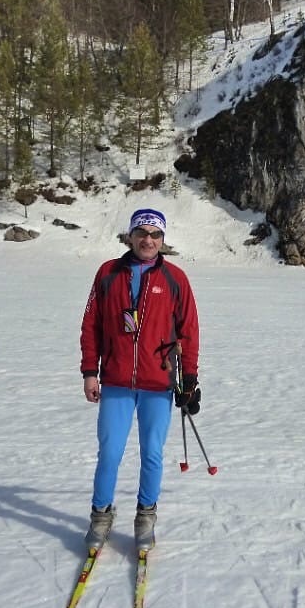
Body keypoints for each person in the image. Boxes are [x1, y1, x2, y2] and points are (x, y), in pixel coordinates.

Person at [79, 207, 201, 554]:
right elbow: (91, 326)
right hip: (116, 381)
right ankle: (100, 515)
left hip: (157, 383)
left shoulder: (175, 278)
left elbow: (189, 332)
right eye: (142, 233)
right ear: (131, 236)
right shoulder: (108, 273)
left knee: (152, 454)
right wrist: (90, 372)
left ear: (162, 239)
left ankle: (145, 516)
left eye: (155, 234)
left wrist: (189, 379)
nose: (148, 240)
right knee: (110, 453)